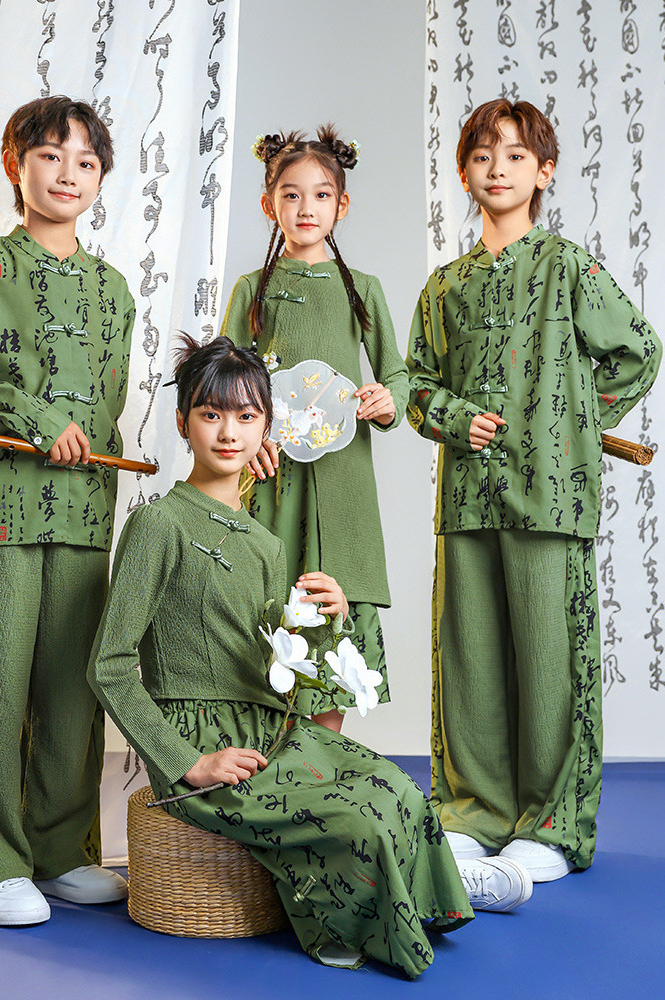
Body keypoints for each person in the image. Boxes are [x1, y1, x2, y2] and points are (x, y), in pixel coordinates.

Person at [88, 334, 532, 980]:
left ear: (268, 426)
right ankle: (371, 913)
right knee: (353, 822)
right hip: (202, 740)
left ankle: (444, 890)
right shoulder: (158, 525)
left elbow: (285, 668)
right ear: (184, 421)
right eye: (211, 413)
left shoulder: (265, 543)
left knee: (398, 793)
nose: (229, 432)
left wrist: (329, 621)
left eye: (246, 416)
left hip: (274, 731)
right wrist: (189, 762)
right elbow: (106, 665)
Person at [405, 98, 662, 882]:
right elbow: (416, 385)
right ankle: (472, 813)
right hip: (467, 501)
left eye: (514, 156)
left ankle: (551, 828)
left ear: (543, 172)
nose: (496, 169)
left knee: (552, 664)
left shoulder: (567, 267)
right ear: (462, 172)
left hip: (550, 498)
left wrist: (575, 427)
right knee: (471, 661)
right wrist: (451, 415)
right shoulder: (444, 287)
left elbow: (638, 352)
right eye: (482, 156)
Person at [0, 95, 135, 925]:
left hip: (82, 518)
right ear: (18, 165)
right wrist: (40, 421)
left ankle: (58, 850)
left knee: (71, 693)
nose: (69, 174)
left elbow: (108, 405)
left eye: (86, 162)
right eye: (51, 156)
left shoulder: (113, 290)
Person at [220, 127, 409, 731]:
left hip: (343, 478)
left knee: (333, 615)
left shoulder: (364, 292)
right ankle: (264, 771)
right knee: (268, 607)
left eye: (321, 196)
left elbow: (399, 377)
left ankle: (320, 771)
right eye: (291, 195)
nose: (306, 209)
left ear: (341, 206)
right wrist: (249, 440)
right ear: (268, 203)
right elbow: (224, 383)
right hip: (273, 474)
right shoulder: (254, 289)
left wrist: (385, 401)